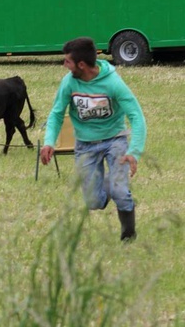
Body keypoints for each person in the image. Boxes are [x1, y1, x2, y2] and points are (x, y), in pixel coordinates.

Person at [40, 38, 146, 243]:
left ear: (81, 65)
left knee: (120, 192)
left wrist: (134, 151)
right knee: (93, 202)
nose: (64, 65)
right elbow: (56, 113)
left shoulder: (113, 83)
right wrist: (49, 142)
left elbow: (137, 117)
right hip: (85, 145)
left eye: (67, 62)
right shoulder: (69, 82)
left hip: (115, 140)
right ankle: (109, 182)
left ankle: (128, 236)